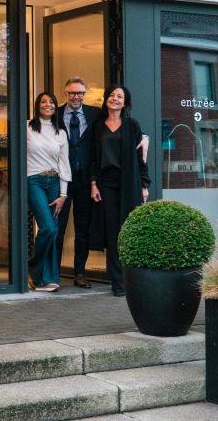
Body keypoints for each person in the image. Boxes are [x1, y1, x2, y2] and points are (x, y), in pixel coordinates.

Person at [56, 76, 149, 289]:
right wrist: (95, 183)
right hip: (72, 179)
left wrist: (146, 139)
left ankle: (85, 273)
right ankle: (53, 274)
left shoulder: (97, 115)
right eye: (72, 93)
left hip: (114, 181)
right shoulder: (64, 116)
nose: (76, 96)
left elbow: (138, 149)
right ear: (66, 94)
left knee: (89, 229)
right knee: (59, 229)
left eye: (80, 92)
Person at [89, 85, 151, 297]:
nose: (115, 99)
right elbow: (93, 159)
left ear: (125, 102)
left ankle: (133, 277)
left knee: (129, 231)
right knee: (112, 233)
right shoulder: (98, 127)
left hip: (129, 182)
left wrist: (144, 185)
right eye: (112, 95)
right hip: (105, 184)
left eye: (120, 96)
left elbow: (141, 159)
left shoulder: (132, 126)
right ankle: (118, 283)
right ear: (106, 100)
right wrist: (94, 184)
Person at [27, 92, 71, 292]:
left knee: (54, 232)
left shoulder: (60, 133)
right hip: (33, 181)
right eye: (43, 101)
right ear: (37, 105)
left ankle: (47, 279)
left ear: (55, 107)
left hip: (54, 182)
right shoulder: (26, 127)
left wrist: (63, 195)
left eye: (51, 102)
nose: (47, 104)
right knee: (48, 228)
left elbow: (64, 163)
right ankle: (32, 270)